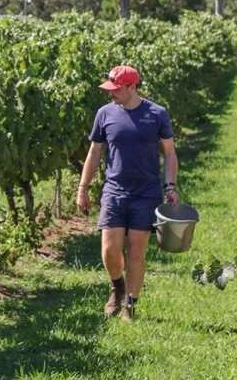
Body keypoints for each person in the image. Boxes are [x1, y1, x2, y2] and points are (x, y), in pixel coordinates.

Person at [75, 65, 179, 322]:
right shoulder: (105, 114)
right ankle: (117, 285)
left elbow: (169, 152)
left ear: (132, 87)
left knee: (135, 251)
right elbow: (94, 152)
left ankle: (130, 305)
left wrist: (170, 186)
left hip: (145, 192)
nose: (111, 93)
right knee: (110, 249)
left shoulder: (156, 114)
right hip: (114, 190)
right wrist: (83, 188)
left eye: (116, 89)